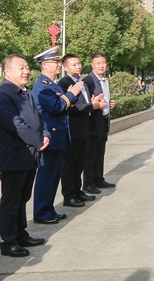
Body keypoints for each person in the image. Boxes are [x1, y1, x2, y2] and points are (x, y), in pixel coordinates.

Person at [0, 54, 49, 256]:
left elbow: (39, 119)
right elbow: (16, 125)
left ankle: (21, 234)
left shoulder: (26, 92)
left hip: (29, 155)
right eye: (21, 68)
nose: (26, 71)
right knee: (11, 199)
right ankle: (9, 242)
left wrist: (46, 134)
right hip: (14, 155)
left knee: (23, 197)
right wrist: (38, 140)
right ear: (7, 71)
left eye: (27, 67)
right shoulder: (2, 95)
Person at [32, 47, 83, 224]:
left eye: (58, 62)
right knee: (46, 177)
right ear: (45, 65)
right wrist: (71, 94)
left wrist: (70, 96)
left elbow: (64, 105)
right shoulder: (42, 86)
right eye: (55, 62)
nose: (58, 65)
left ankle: (49, 210)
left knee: (54, 178)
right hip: (50, 138)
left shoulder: (52, 84)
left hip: (59, 137)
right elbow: (55, 107)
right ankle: (41, 213)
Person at [59, 54, 106, 207]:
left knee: (80, 163)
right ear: (66, 68)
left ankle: (78, 191)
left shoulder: (82, 81)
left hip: (85, 128)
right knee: (70, 164)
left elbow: (84, 102)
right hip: (72, 129)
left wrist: (93, 102)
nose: (78, 66)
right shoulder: (64, 83)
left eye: (79, 63)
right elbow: (72, 107)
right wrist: (92, 106)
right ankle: (69, 195)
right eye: (74, 64)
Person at [83, 53, 117, 194]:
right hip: (93, 123)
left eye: (103, 63)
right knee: (91, 153)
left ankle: (98, 179)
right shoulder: (88, 81)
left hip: (104, 120)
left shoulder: (104, 80)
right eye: (98, 63)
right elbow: (86, 103)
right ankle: (88, 183)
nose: (101, 66)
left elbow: (104, 99)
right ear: (92, 65)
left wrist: (110, 103)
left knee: (100, 152)